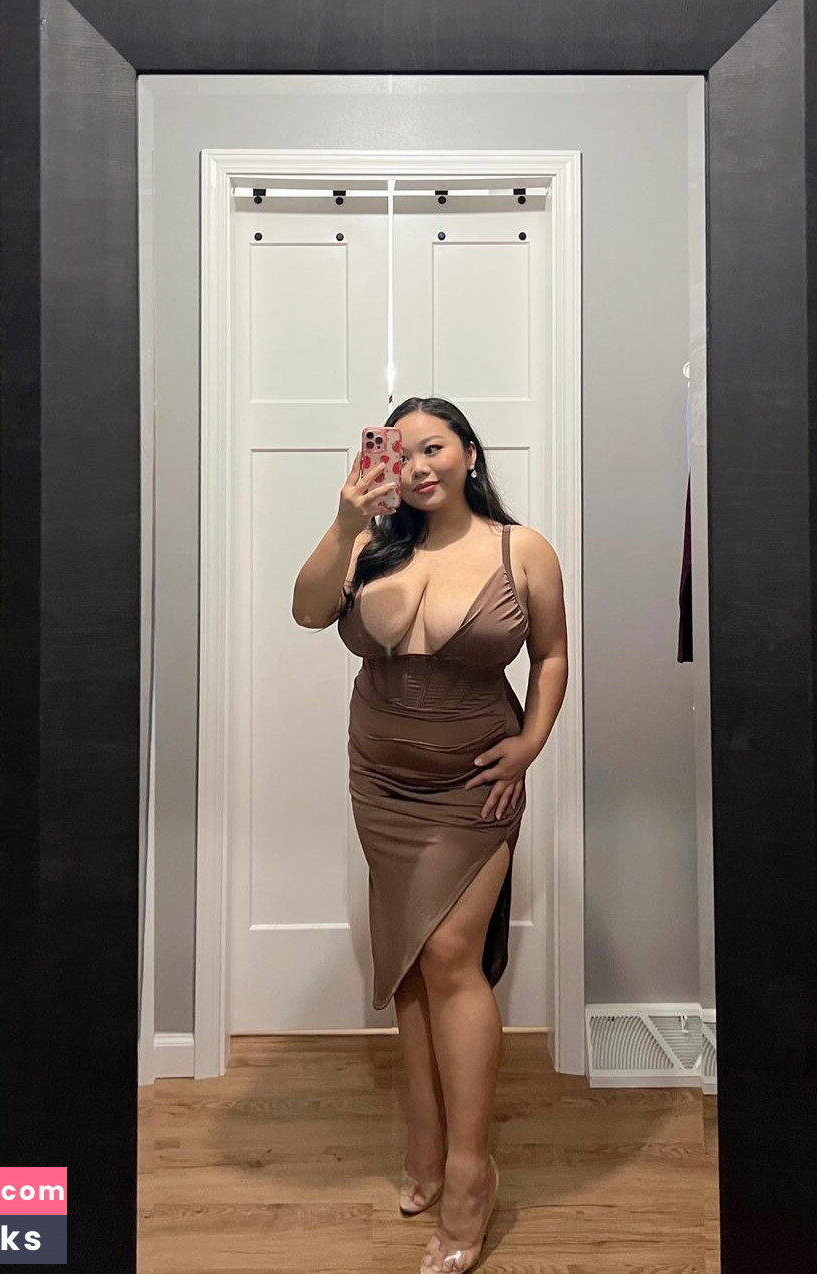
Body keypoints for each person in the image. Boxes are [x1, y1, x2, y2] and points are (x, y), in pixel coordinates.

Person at [292, 396, 569, 1272]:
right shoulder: (370, 545)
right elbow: (306, 612)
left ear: (469, 453)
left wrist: (532, 742)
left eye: (435, 447)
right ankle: (423, 1145)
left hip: (472, 788)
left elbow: (551, 655)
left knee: (450, 957)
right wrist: (346, 521)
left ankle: (469, 1172)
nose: (417, 466)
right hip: (379, 782)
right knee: (411, 963)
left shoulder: (521, 550)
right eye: (400, 452)